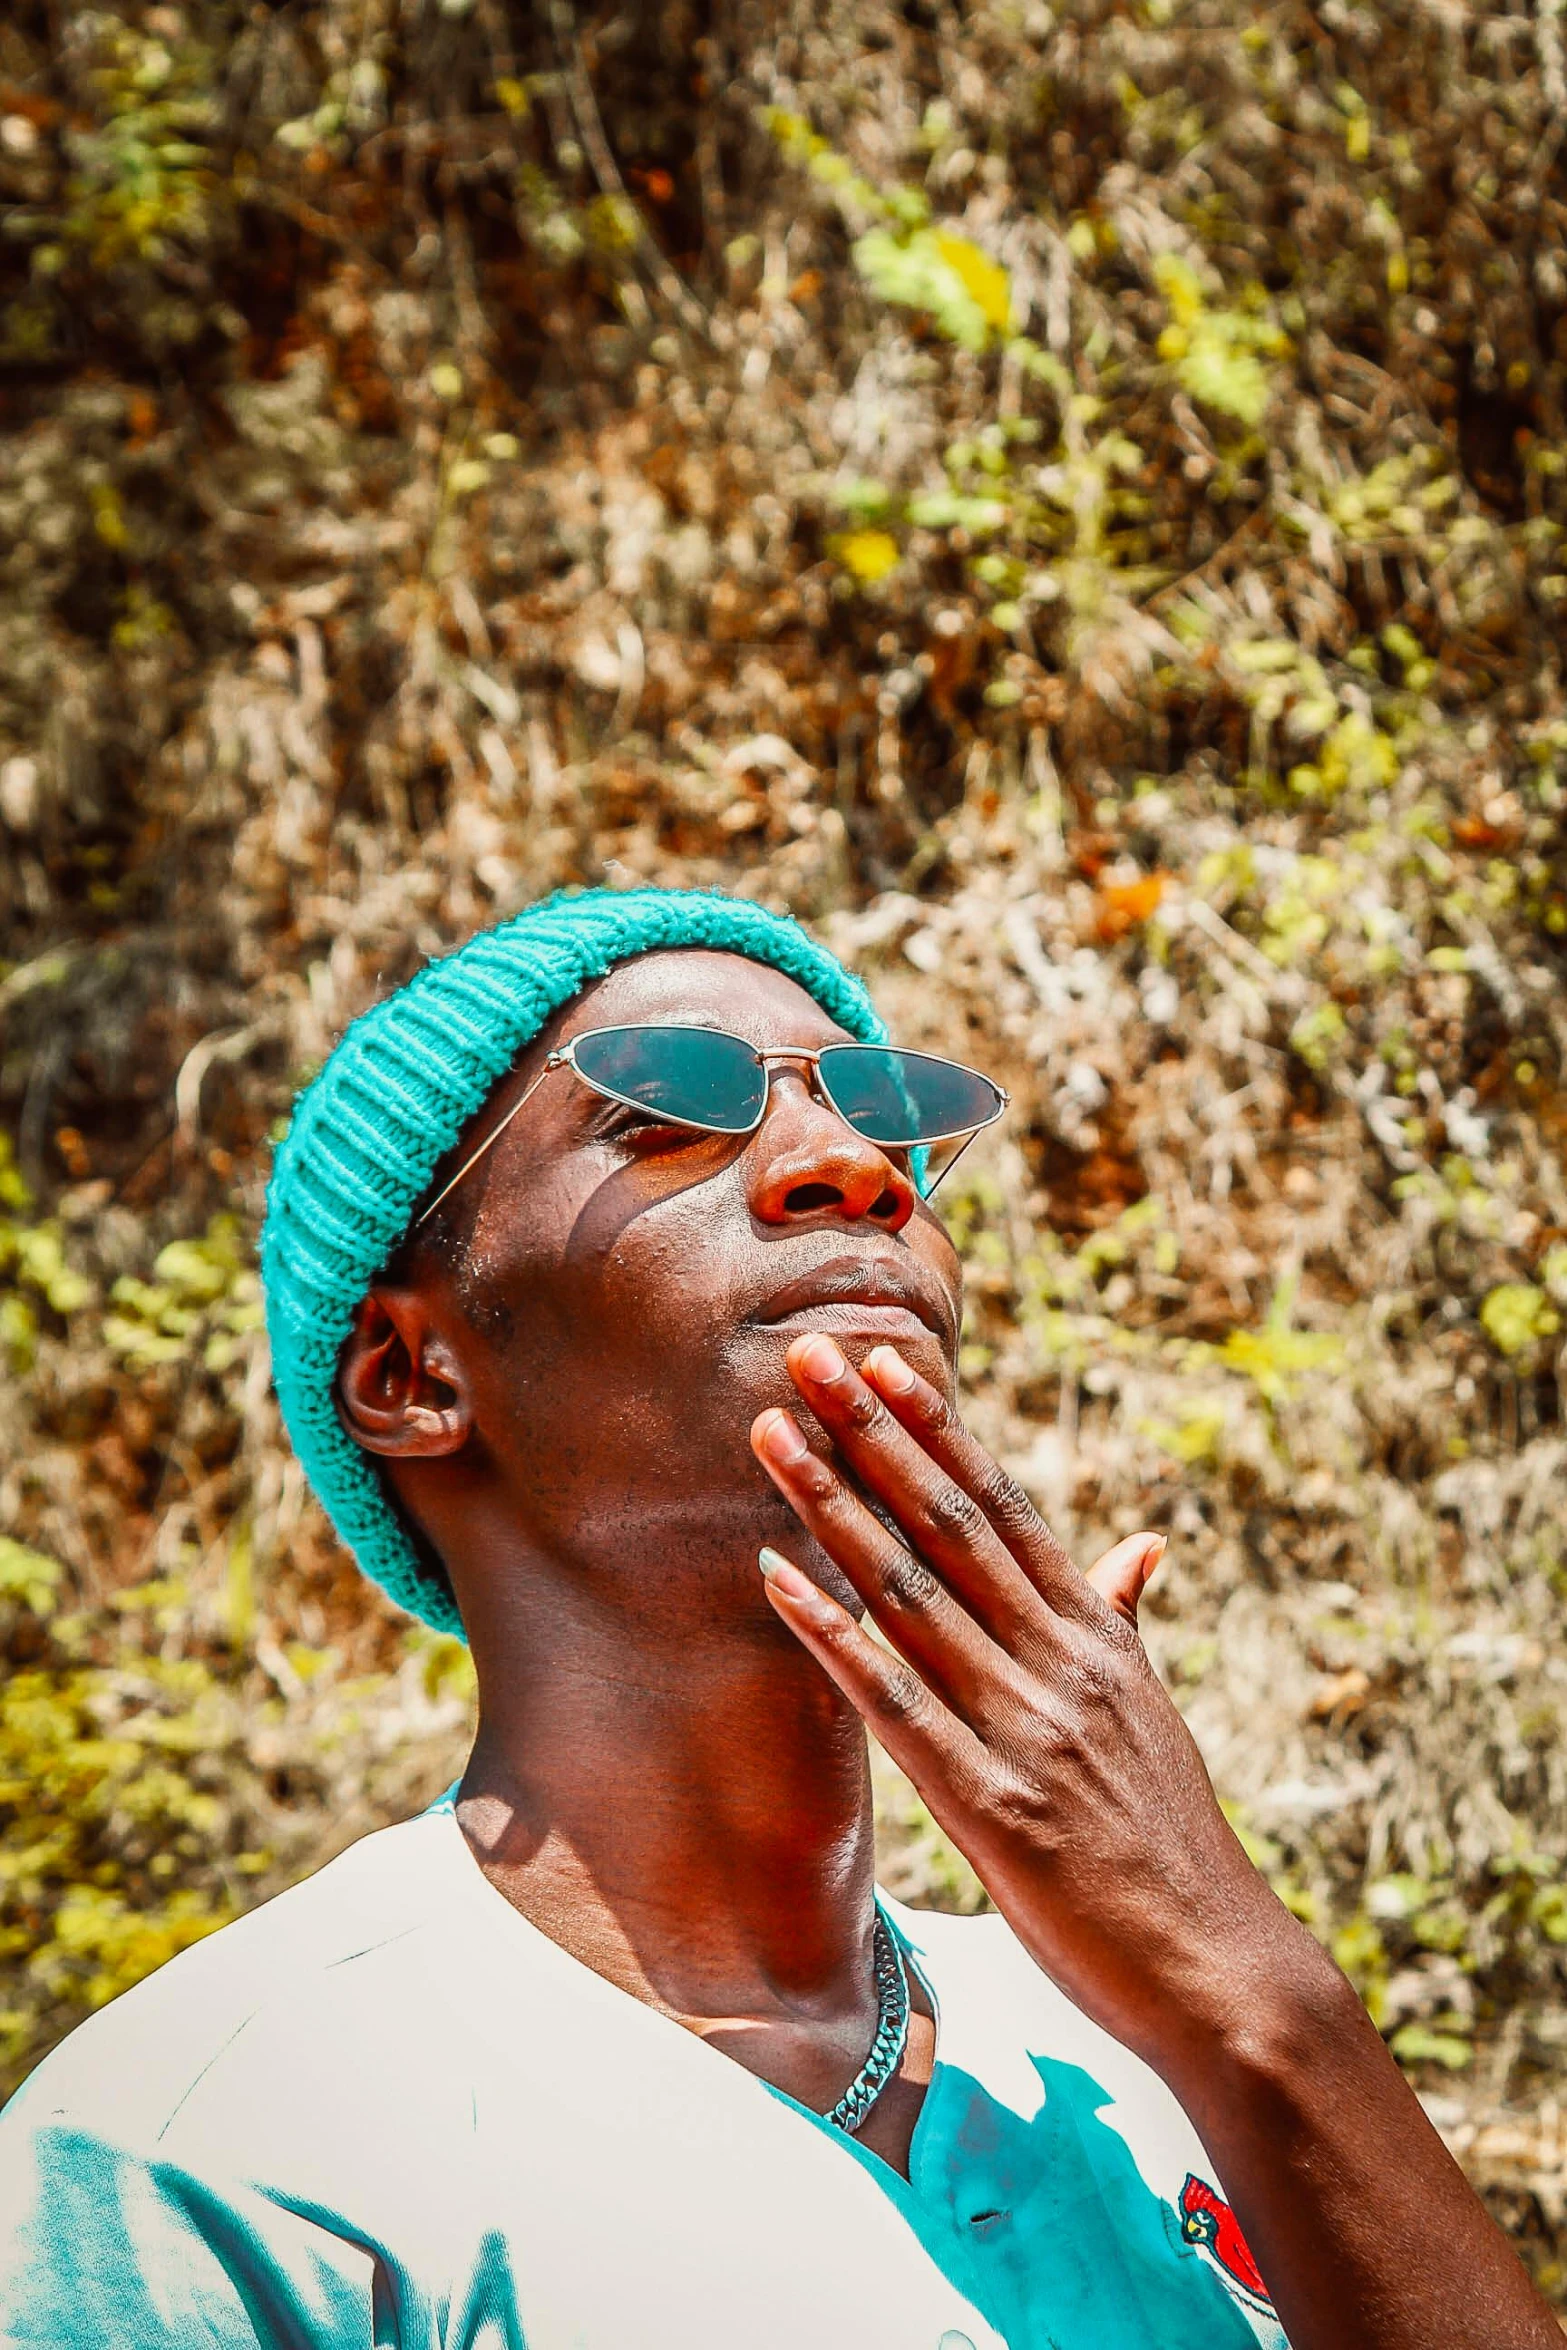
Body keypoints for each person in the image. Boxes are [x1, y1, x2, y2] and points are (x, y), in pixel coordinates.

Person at [0, 884, 1556, 2350]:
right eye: (665, 1109)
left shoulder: (1145, 2044)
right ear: (415, 1377)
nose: (854, 1165)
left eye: (880, 1117)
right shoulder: (198, 2146)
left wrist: (1251, 1982)